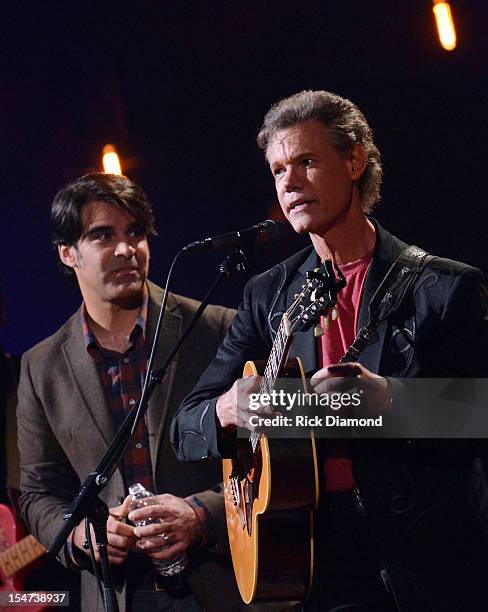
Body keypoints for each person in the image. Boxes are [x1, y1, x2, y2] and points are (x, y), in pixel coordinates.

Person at [171, 90, 488, 611]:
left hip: (427, 556)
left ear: (356, 159)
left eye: (307, 161)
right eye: (277, 170)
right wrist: (229, 410)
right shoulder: (267, 295)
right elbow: (186, 425)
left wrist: (390, 402)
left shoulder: (444, 287)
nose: (289, 182)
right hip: (311, 556)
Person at [17, 173, 246, 612]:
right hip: (116, 596)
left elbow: (272, 458)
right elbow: (37, 490)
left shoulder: (219, 328)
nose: (126, 249)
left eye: (135, 233)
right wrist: (82, 533)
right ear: (68, 254)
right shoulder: (40, 365)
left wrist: (202, 514)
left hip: (225, 584)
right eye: (103, 236)